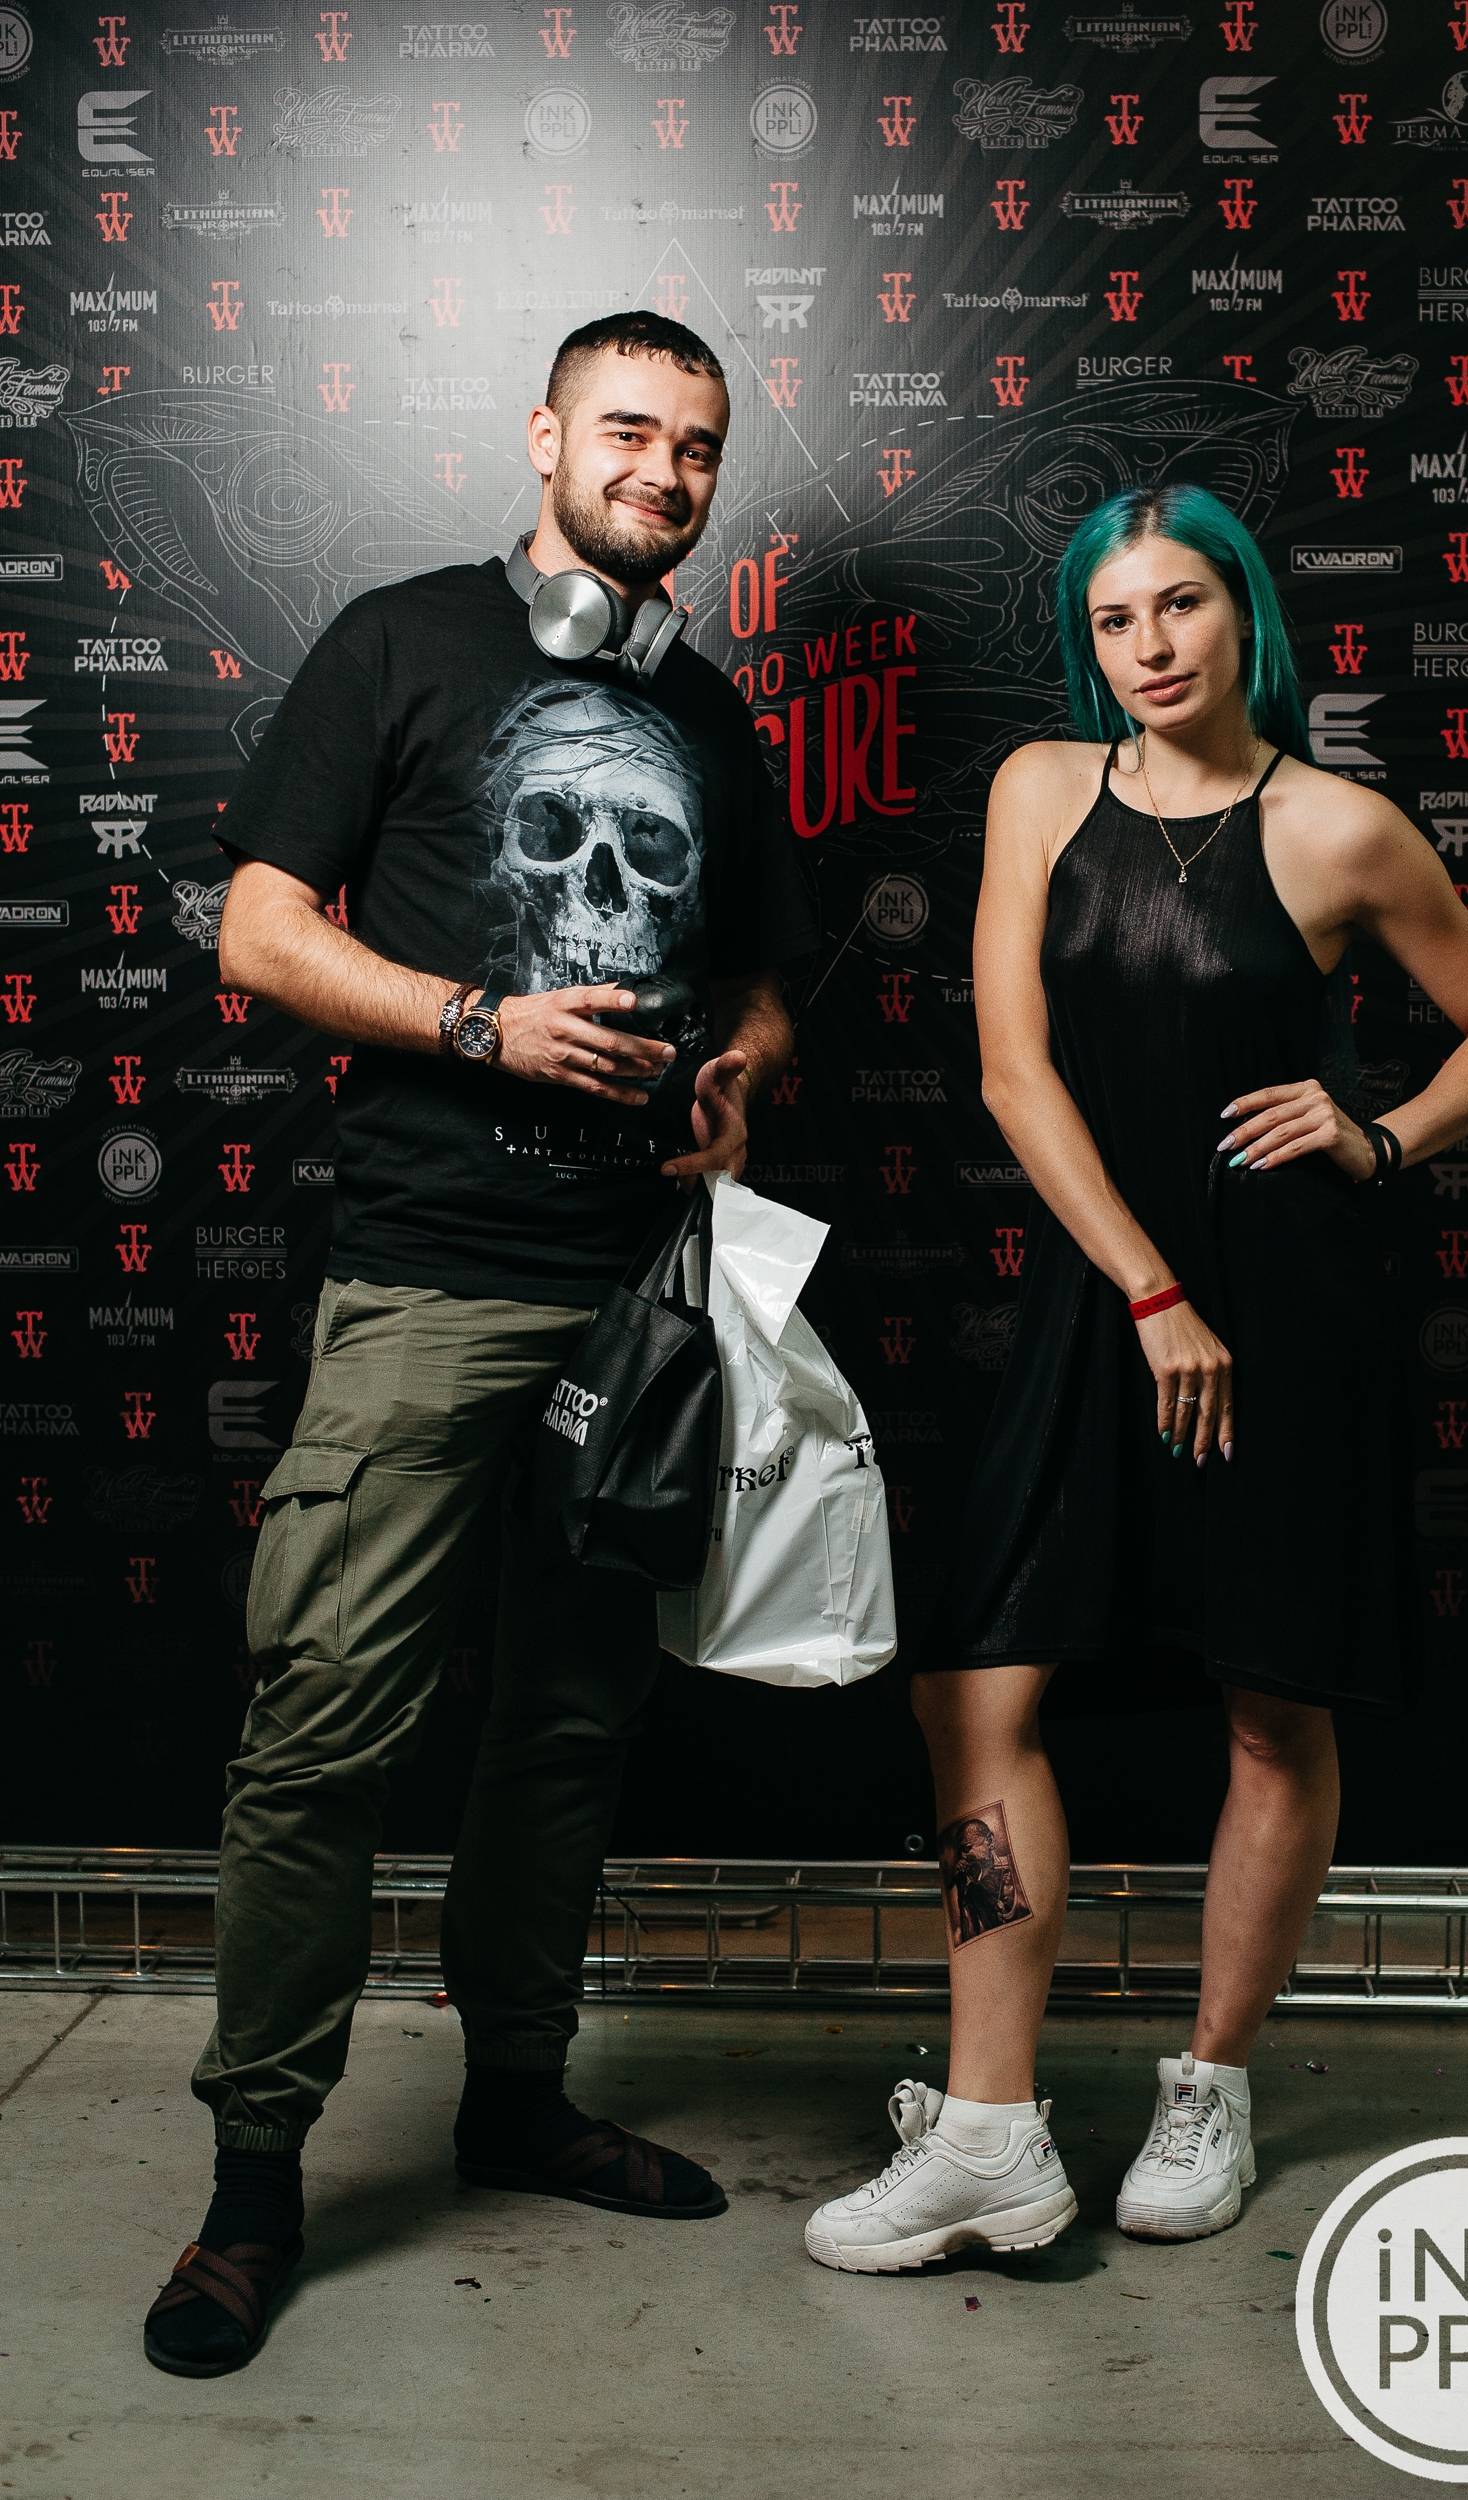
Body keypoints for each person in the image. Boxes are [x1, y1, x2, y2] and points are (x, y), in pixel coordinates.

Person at [142, 311, 820, 2375]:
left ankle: (518, 2094)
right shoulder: (402, 642)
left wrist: (742, 1075)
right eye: (628, 429)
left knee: (569, 1723)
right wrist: (477, 1020)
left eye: (696, 447)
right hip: (431, 1279)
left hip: (637, 1301)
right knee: (324, 1731)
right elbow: (259, 927)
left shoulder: (708, 715)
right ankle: (256, 2178)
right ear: (544, 435)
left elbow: (763, 982)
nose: (662, 471)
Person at [804, 482, 1468, 2276]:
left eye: (1182, 606)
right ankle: (990, 2128)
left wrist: (1378, 1136)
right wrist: (1148, 1289)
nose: (1149, 647)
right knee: (971, 1693)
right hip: (1106, 1298)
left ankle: (1211, 2085)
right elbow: (1014, 1073)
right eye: (1116, 618)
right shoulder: (1041, 791)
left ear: (1245, 614)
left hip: (1289, 1312)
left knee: (1272, 1708)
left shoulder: (1341, 829)